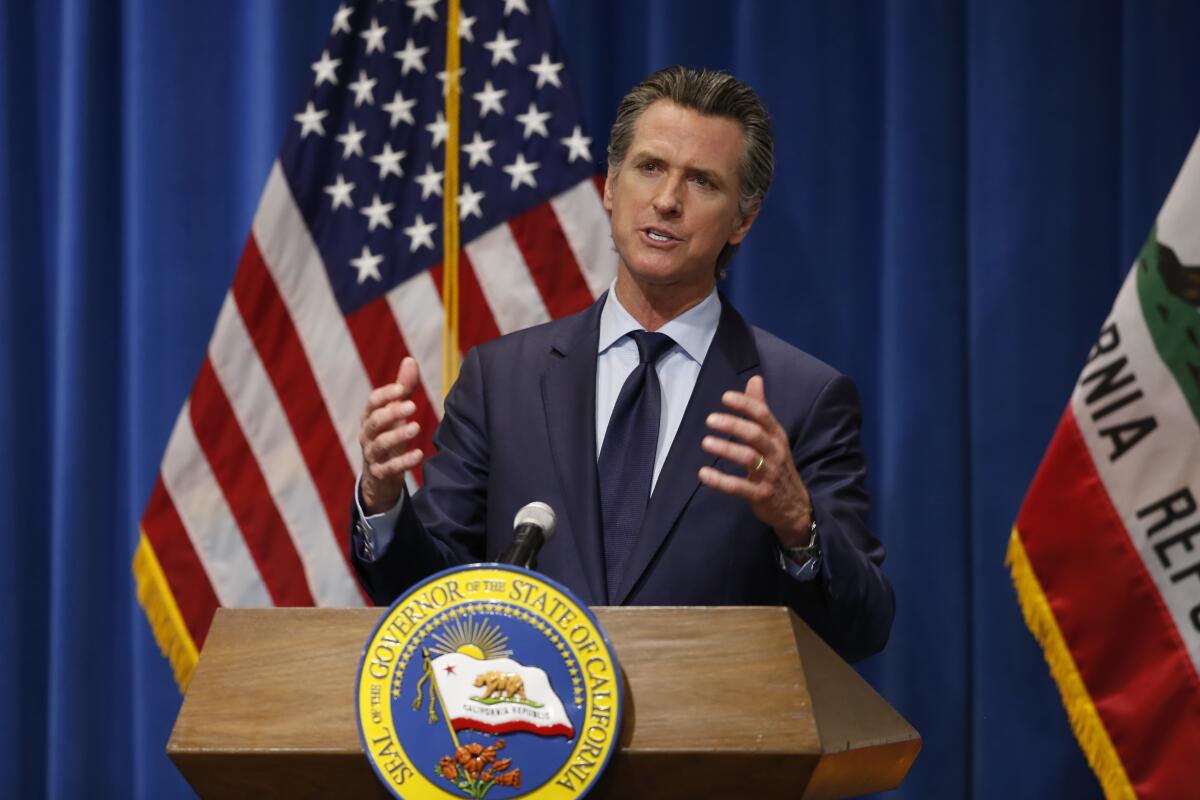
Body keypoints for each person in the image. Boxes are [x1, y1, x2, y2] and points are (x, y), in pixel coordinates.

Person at [351, 66, 894, 662]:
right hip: (526, 743)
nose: (667, 200)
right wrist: (383, 502)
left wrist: (798, 526)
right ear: (610, 187)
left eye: (703, 182)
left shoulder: (801, 398)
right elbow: (428, 596)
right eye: (651, 168)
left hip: (709, 746)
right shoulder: (500, 380)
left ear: (744, 218)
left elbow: (864, 628)